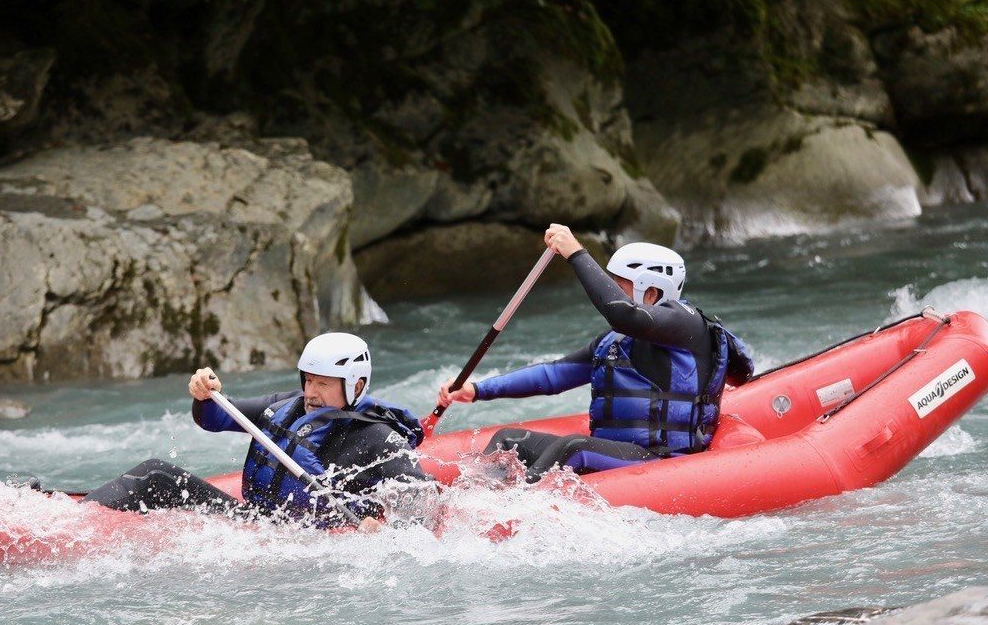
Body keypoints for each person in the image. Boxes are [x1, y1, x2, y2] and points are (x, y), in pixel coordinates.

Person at [437, 224, 754, 480]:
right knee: (508, 441)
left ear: (653, 291)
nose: (610, 293)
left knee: (574, 447)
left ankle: (511, 515)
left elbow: (623, 312)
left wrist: (575, 252)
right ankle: (469, 506)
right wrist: (476, 390)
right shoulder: (616, 341)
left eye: (619, 285)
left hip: (659, 458)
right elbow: (554, 375)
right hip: (615, 450)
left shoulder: (687, 325)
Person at [84, 332, 432, 530]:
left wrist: (386, 531)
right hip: (256, 522)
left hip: (309, 541)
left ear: (356, 387)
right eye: (308, 380)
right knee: (154, 474)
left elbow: (422, 504)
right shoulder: (288, 406)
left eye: (323, 384)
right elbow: (214, 419)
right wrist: (206, 394)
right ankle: (71, 520)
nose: (311, 392)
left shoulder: (379, 438)